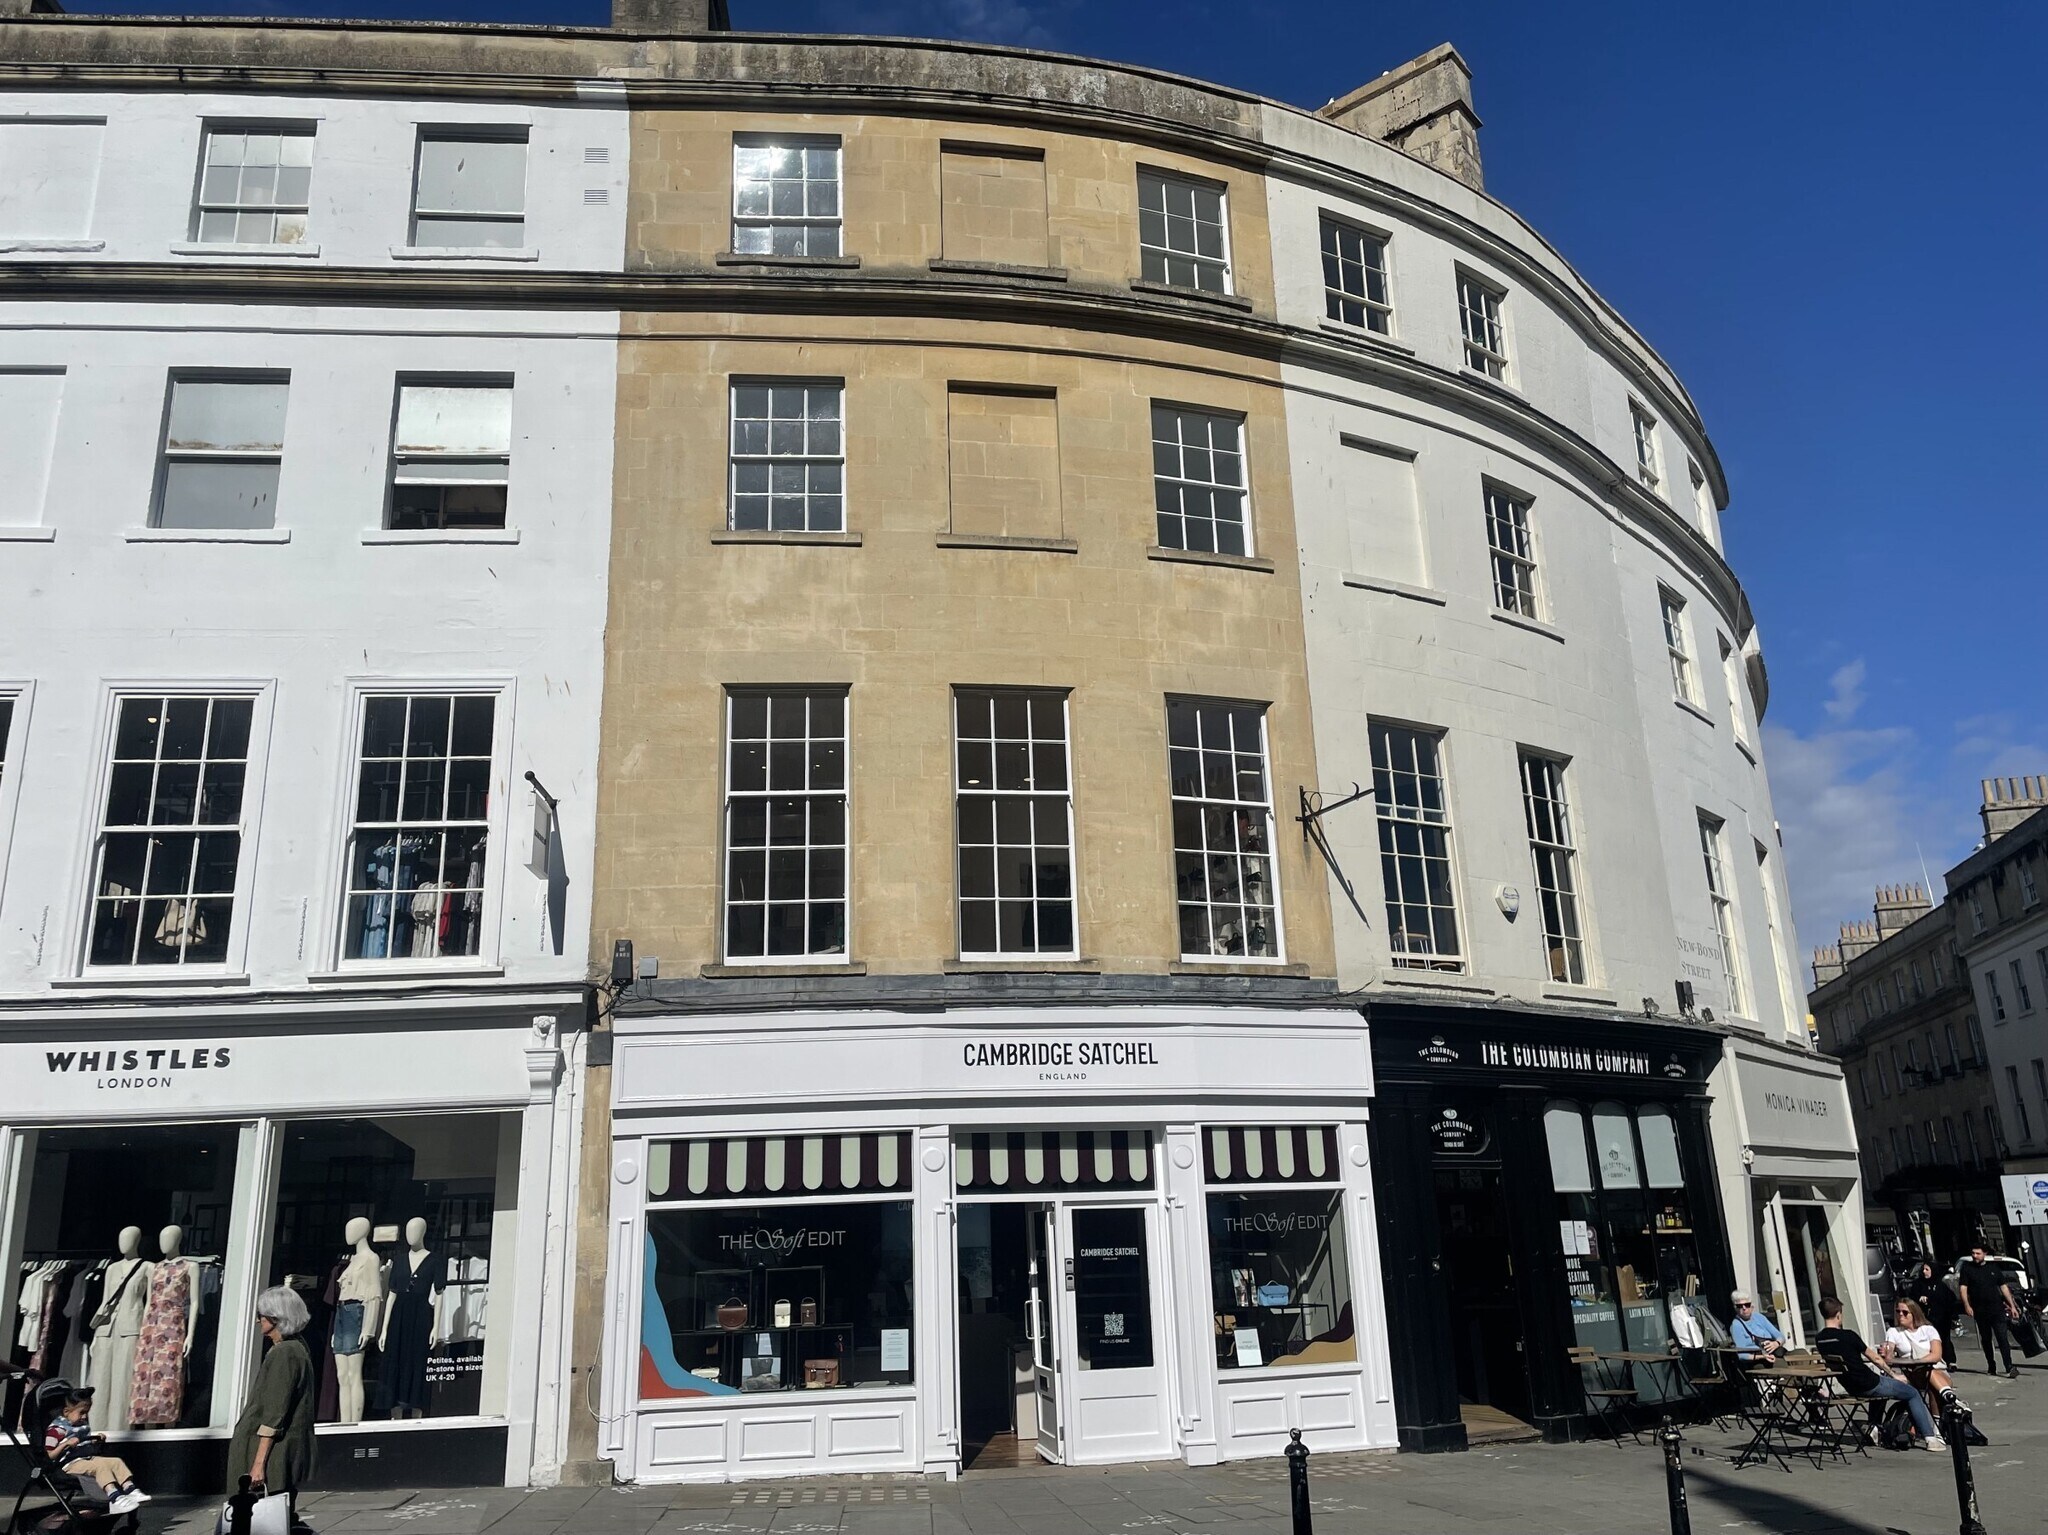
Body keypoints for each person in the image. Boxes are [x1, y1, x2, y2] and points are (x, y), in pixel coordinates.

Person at [227, 1285, 318, 1520]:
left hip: (273, 1459)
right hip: (280, 1457)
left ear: (275, 1318)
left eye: (261, 1316)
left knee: (265, 1521)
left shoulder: (285, 1353)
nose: (258, 1321)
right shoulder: (296, 1347)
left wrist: (258, 1464)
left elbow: (275, 1413)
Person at [1813, 1296, 1945, 1451]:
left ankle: (1873, 1428)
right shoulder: (1848, 1335)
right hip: (1869, 1383)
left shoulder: (1820, 1339)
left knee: (1880, 1393)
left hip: (1851, 1386)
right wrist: (1894, 1375)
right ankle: (1930, 1438)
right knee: (1912, 1392)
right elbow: (1875, 1357)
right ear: (1838, 1314)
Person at [42, 1388, 152, 1514]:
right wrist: (65, 1444)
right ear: (66, 1412)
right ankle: (114, 1498)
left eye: (87, 1413)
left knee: (115, 1462)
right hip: (69, 1464)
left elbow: (83, 1443)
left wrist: (94, 1440)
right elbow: (49, 1455)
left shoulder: (80, 1425)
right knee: (100, 1467)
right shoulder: (56, 1429)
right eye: (82, 1412)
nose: (84, 1417)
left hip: (86, 1459)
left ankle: (130, 1490)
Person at [1956, 1246, 2020, 1378]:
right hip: (1980, 1310)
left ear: (1984, 1254)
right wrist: (1967, 1305)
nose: (1975, 1256)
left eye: (1978, 1253)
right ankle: (1991, 1364)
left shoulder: (1993, 1269)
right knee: (1986, 1339)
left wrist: (2012, 1306)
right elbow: (1963, 1289)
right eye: (1973, 1253)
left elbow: (2003, 1288)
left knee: (2002, 1338)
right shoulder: (1967, 1269)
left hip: (1996, 1309)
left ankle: (2009, 1366)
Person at [1906, 1259, 1960, 1368]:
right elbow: (1911, 1298)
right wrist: (1919, 1299)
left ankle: (1950, 1360)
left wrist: (1953, 1316)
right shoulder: (1918, 1284)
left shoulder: (1941, 1285)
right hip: (1925, 1317)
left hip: (1942, 1318)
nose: (1925, 1272)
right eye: (1923, 1269)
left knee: (1944, 1339)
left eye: (1927, 1269)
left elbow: (1949, 1300)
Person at [1729, 1290, 1787, 1362]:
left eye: (1747, 1305)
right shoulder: (1736, 1325)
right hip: (1757, 1360)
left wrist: (1776, 1343)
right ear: (1736, 1308)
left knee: (1800, 1353)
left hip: (1774, 1352)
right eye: (1740, 1306)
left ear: (1751, 1306)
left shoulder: (1759, 1317)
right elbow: (1741, 1355)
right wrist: (1762, 1357)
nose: (1744, 1308)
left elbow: (1780, 1336)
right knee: (1783, 1364)